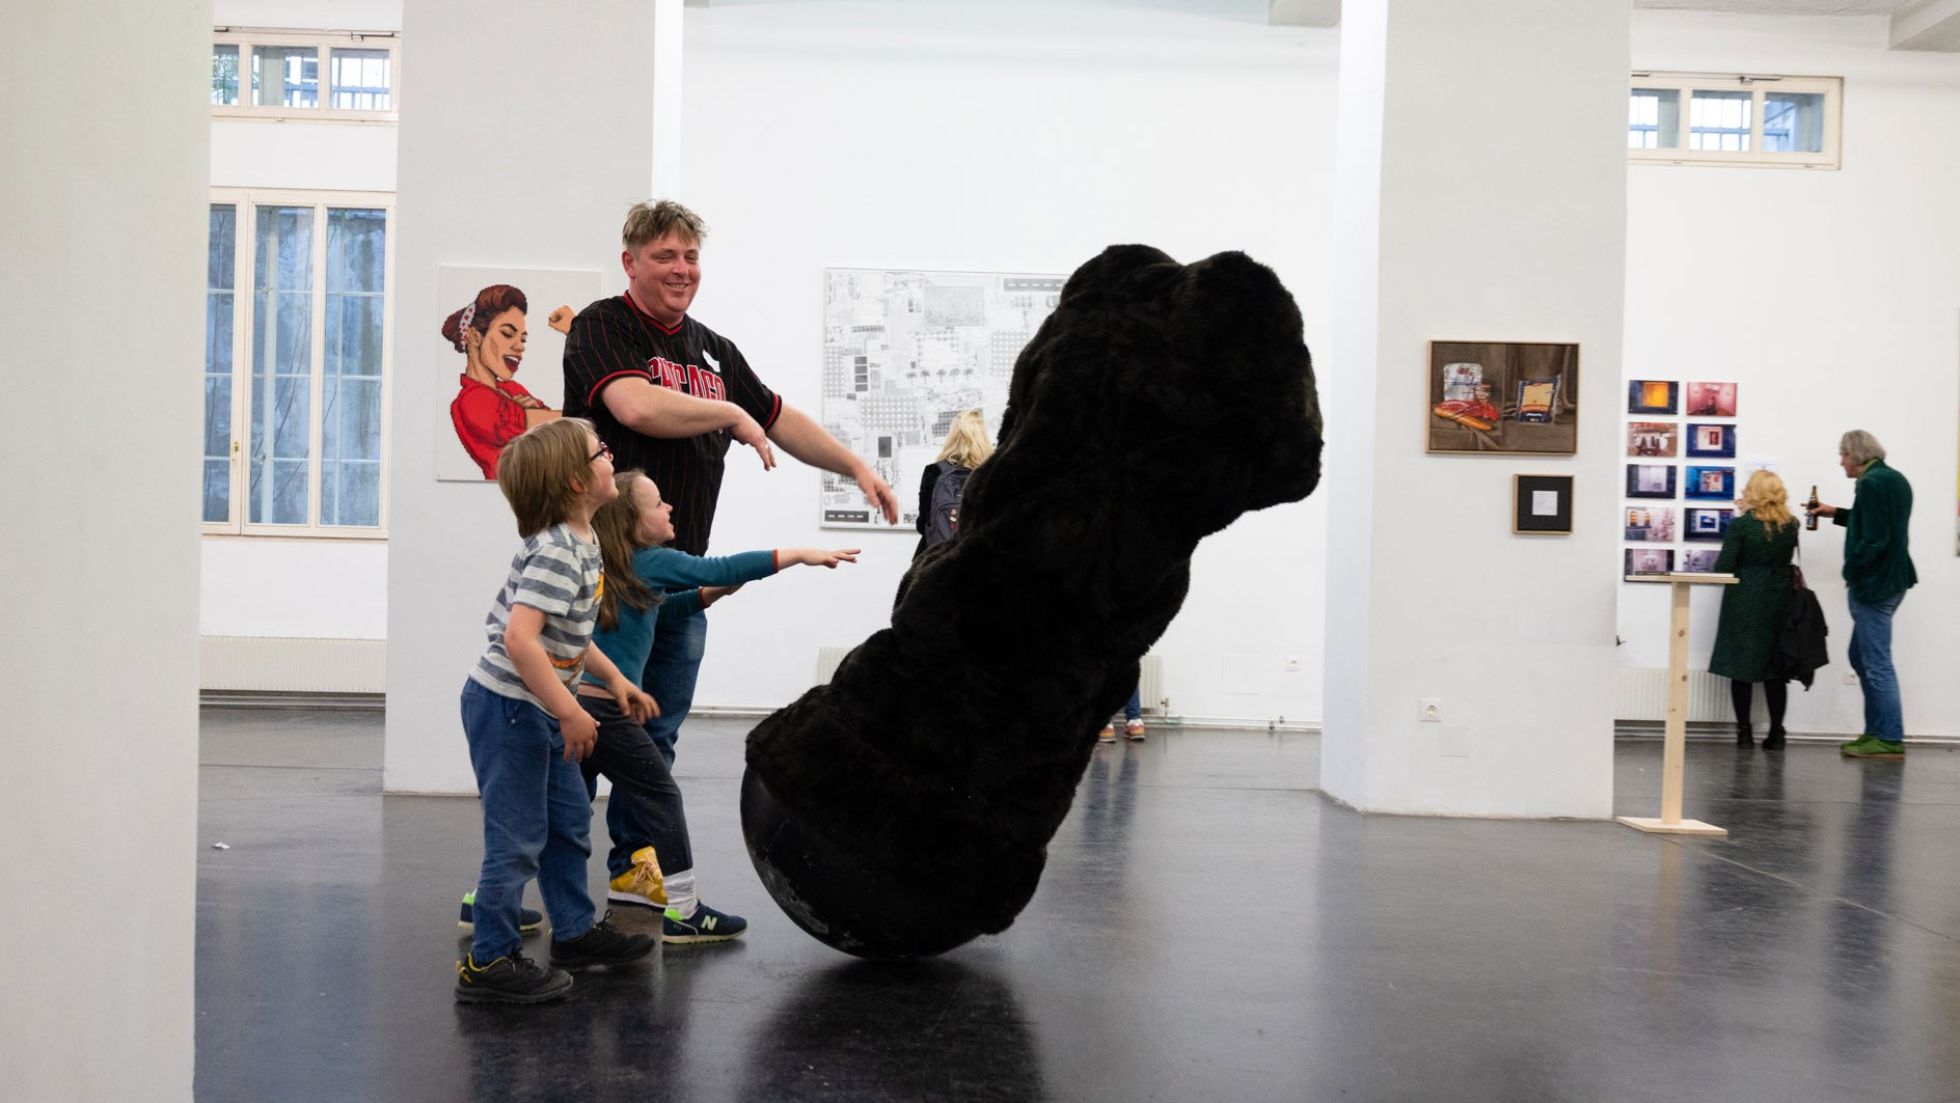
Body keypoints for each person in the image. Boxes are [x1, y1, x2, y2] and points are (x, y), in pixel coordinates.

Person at [563, 199, 898, 767]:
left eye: (690, 257)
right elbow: (636, 405)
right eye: (664, 255)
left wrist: (855, 466)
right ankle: (565, 852)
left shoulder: (713, 350)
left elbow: (776, 416)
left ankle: (638, 855)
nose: (681, 269)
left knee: (657, 739)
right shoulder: (602, 325)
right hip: (608, 578)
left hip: (679, 577)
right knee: (586, 732)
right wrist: (729, 415)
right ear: (631, 263)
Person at [582, 468, 859, 943]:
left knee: (559, 810)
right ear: (631, 522)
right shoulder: (648, 560)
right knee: (661, 796)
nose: (670, 508)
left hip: (578, 706)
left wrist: (714, 593)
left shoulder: (625, 571)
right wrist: (797, 555)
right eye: (657, 503)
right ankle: (685, 911)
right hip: (607, 713)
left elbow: (666, 609)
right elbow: (718, 567)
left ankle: (488, 902)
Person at [454, 418, 661, 1005]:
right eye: (602, 451)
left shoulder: (584, 540)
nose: (610, 455)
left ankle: (573, 932)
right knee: (517, 838)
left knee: (568, 822)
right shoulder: (555, 552)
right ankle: (488, 962)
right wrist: (571, 711)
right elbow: (522, 641)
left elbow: (570, 634)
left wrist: (615, 678)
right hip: (509, 708)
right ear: (575, 481)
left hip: (538, 707)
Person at [1812, 430, 1916, 759]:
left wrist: (1852, 571)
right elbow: (1875, 522)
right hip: (1894, 580)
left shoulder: (1870, 483)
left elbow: (1874, 539)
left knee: (1876, 663)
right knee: (1862, 657)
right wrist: (1836, 514)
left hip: (1875, 584)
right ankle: (1876, 732)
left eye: (1842, 455)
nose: (1840, 461)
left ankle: (1888, 737)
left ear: (1856, 455)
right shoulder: (1893, 478)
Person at [1708, 470, 1799, 750]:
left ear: (1753, 492)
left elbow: (1723, 566)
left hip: (1745, 598)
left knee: (1741, 667)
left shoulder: (1742, 525)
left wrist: (1745, 513)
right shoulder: (1792, 525)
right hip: (1780, 598)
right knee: (1775, 670)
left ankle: (1744, 733)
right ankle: (1776, 733)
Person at [445, 285, 571, 479]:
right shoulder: (471, 399)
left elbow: (560, 423)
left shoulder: (511, 389)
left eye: (523, 339)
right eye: (507, 333)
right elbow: (565, 423)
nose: (519, 346)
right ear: (474, 337)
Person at [914, 410, 993, 558]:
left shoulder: (934, 471)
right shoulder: (992, 474)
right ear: (983, 437)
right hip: (980, 560)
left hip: (935, 560)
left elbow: (922, 525)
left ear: (952, 436)